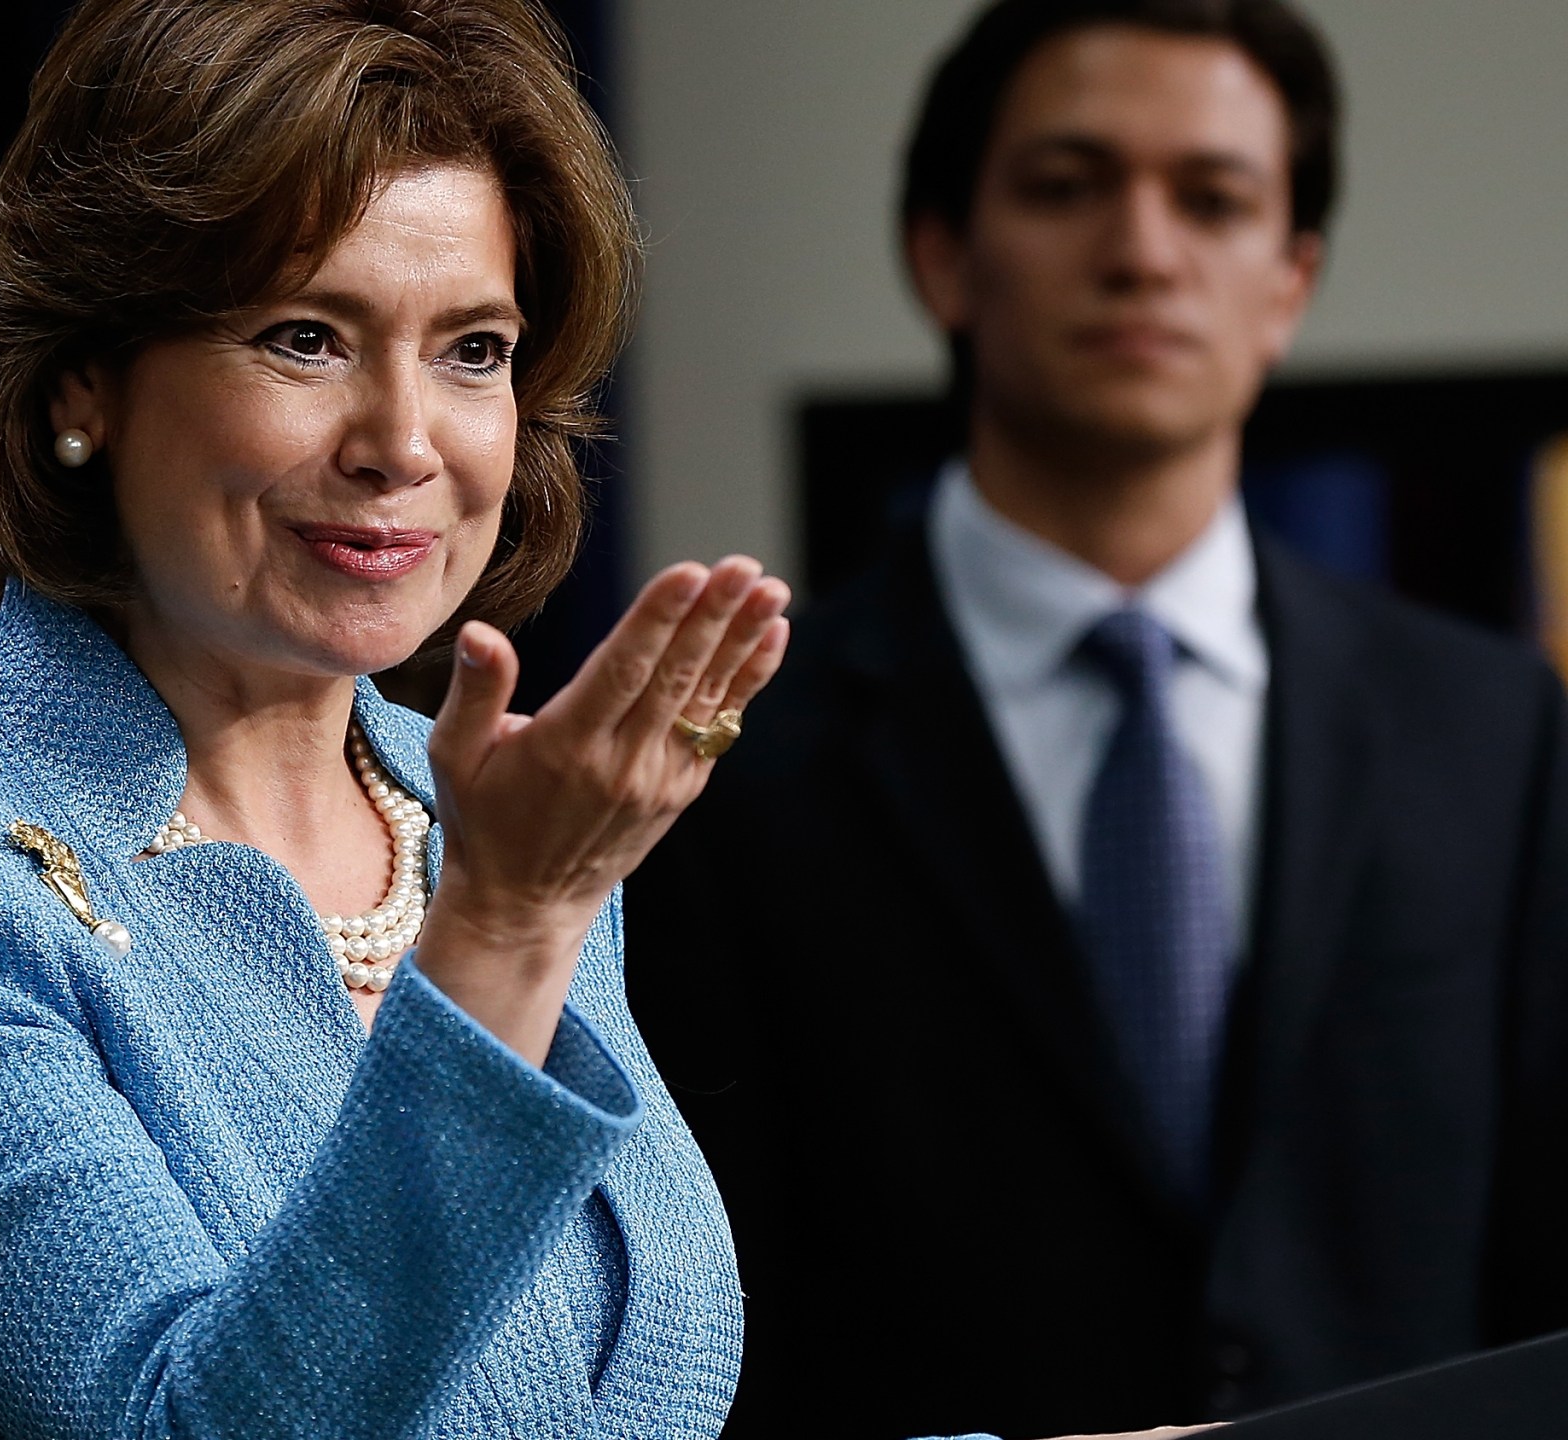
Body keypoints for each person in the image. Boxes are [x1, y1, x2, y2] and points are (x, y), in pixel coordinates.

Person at [0, 3, 1215, 1438]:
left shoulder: (470, 833)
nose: (403, 444)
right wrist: (509, 928)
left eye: (473, 351)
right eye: (306, 336)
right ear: (85, 384)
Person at [625, 1, 1568, 1437]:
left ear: (1290, 279)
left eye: (1214, 198)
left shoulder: (1492, 731)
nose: (1142, 251)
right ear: (943, 254)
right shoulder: (725, 750)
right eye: (1068, 187)